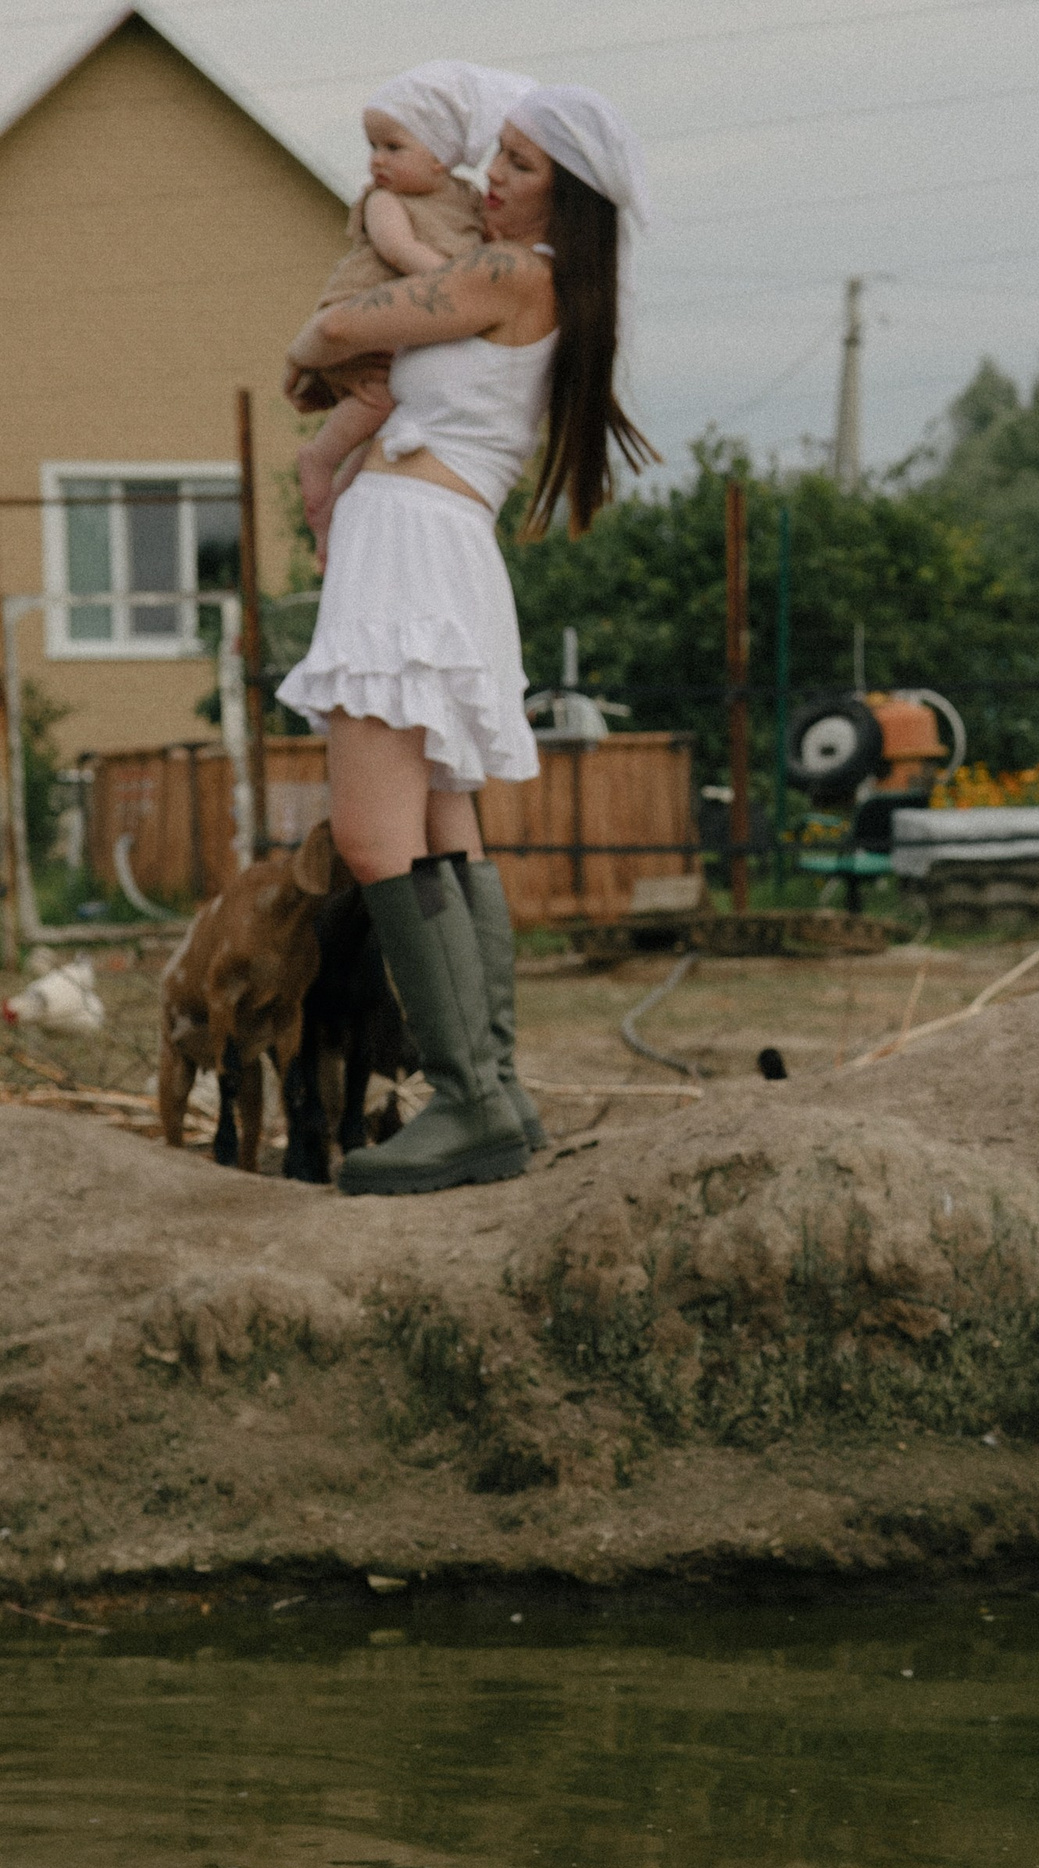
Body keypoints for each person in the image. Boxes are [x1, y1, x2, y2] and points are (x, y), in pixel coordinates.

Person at [277, 86, 656, 1199]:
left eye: (521, 165)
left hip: (410, 544)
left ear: (569, 200)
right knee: (444, 830)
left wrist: (310, 339)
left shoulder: (509, 274)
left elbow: (340, 330)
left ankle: (470, 1099)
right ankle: (492, 1084)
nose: (490, 176)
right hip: (443, 545)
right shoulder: (548, 286)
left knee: (369, 837)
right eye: (497, 153)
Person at [288, 64, 535, 560]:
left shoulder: (467, 199)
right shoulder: (384, 200)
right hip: (363, 313)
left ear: (441, 157)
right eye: (373, 147)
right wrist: (459, 281)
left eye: (393, 147)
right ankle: (319, 457)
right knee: (378, 399)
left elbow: (489, 244)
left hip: (406, 327)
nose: (377, 161)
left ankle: (335, 513)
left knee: (390, 421)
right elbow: (399, 252)